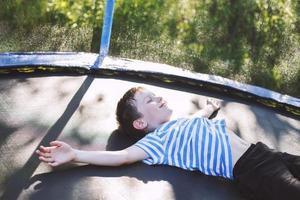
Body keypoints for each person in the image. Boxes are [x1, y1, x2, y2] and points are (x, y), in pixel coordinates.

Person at [36, 87, 300, 200]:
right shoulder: (158, 142)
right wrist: (74, 154)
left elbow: (200, 117)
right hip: (252, 169)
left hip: (264, 152)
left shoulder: (182, 122)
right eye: (150, 100)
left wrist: (209, 108)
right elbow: (122, 156)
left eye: (156, 95)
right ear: (140, 123)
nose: (159, 98)